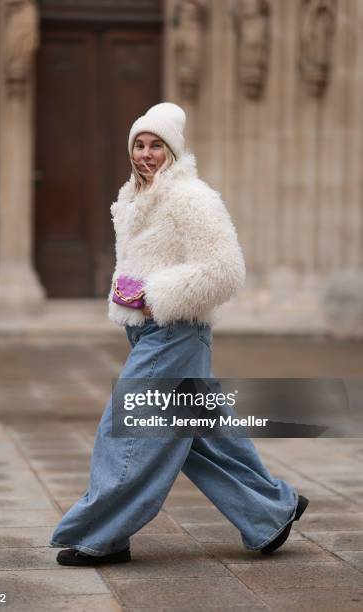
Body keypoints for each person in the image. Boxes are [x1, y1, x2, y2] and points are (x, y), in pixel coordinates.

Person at [49, 102, 308, 567]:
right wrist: (127, 296)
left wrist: (153, 295)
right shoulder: (132, 197)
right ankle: (270, 512)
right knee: (200, 435)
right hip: (150, 330)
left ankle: (104, 535)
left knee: (124, 427)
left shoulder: (192, 198)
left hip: (177, 331)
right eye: (139, 145)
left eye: (156, 146)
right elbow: (142, 262)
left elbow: (227, 270)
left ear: (173, 150)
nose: (146, 154)